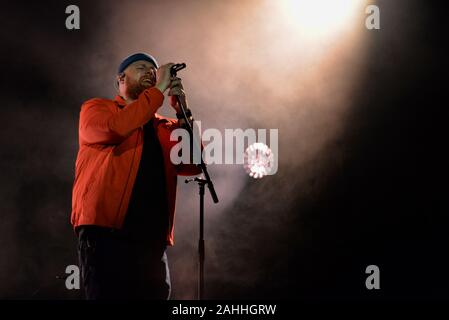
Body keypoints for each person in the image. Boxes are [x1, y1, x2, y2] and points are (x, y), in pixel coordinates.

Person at [71, 52, 200, 299]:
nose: (151, 73)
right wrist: (160, 89)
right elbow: (115, 129)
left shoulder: (164, 126)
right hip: (107, 234)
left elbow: (192, 165)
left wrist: (182, 113)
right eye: (141, 67)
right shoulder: (97, 108)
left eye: (154, 71)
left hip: (151, 242)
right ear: (121, 78)